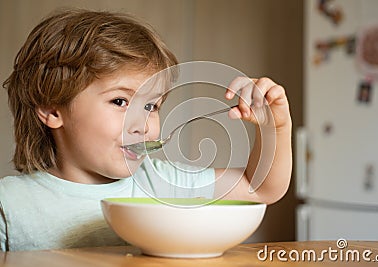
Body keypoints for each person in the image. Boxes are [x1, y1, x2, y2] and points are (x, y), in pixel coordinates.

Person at [0, 9, 292, 251]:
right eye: (120, 101)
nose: (142, 124)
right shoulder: (8, 205)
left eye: (152, 106)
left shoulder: (160, 181)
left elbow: (260, 187)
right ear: (52, 110)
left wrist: (276, 126)